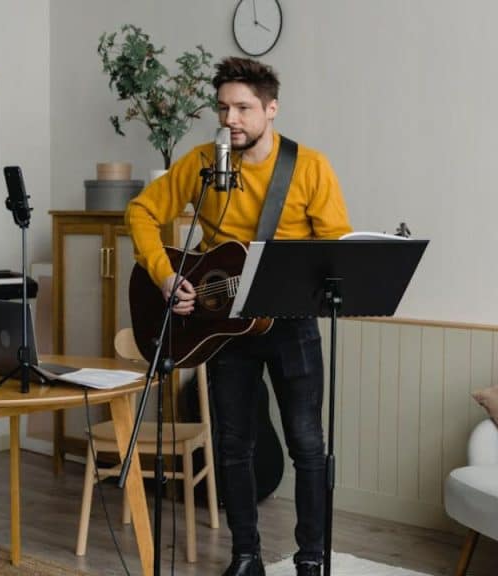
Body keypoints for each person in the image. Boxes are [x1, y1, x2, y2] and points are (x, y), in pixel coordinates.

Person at [126, 56, 352, 576]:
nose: (231, 118)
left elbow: (335, 248)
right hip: (219, 325)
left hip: (290, 323)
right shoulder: (203, 162)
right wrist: (165, 275)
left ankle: (312, 558)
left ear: (271, 109)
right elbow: (141, 212)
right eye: (224, 107)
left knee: (307, 442)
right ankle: (245, 556)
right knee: (232, 445)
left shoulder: (310, 167)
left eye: (244, 108)